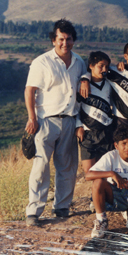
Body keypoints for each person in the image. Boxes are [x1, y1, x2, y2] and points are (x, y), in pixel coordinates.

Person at [24, 19, 87, 226]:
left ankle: (62, 207)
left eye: (69, 39)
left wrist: (85, 78)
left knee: (67, 167)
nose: (65, 43)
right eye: (61, 39)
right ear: (54, 40)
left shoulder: (78, 62)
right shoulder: (41, 62)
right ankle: (33, 211)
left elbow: (82, 83)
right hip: (46, 121)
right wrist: (32, 118)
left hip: (69, 120)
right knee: (40, 167)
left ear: (73, 41)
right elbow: (30, 90)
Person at [76, 51, 115, 175]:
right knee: (90, 172)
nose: (104, 69)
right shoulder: (81, 86)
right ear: (91, 66)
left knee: (106, 169)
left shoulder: (109, 84)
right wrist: (78, 126)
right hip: (88, 133)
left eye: (106, 66)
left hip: (106, 132)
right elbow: (76, 108)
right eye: (100, 66)